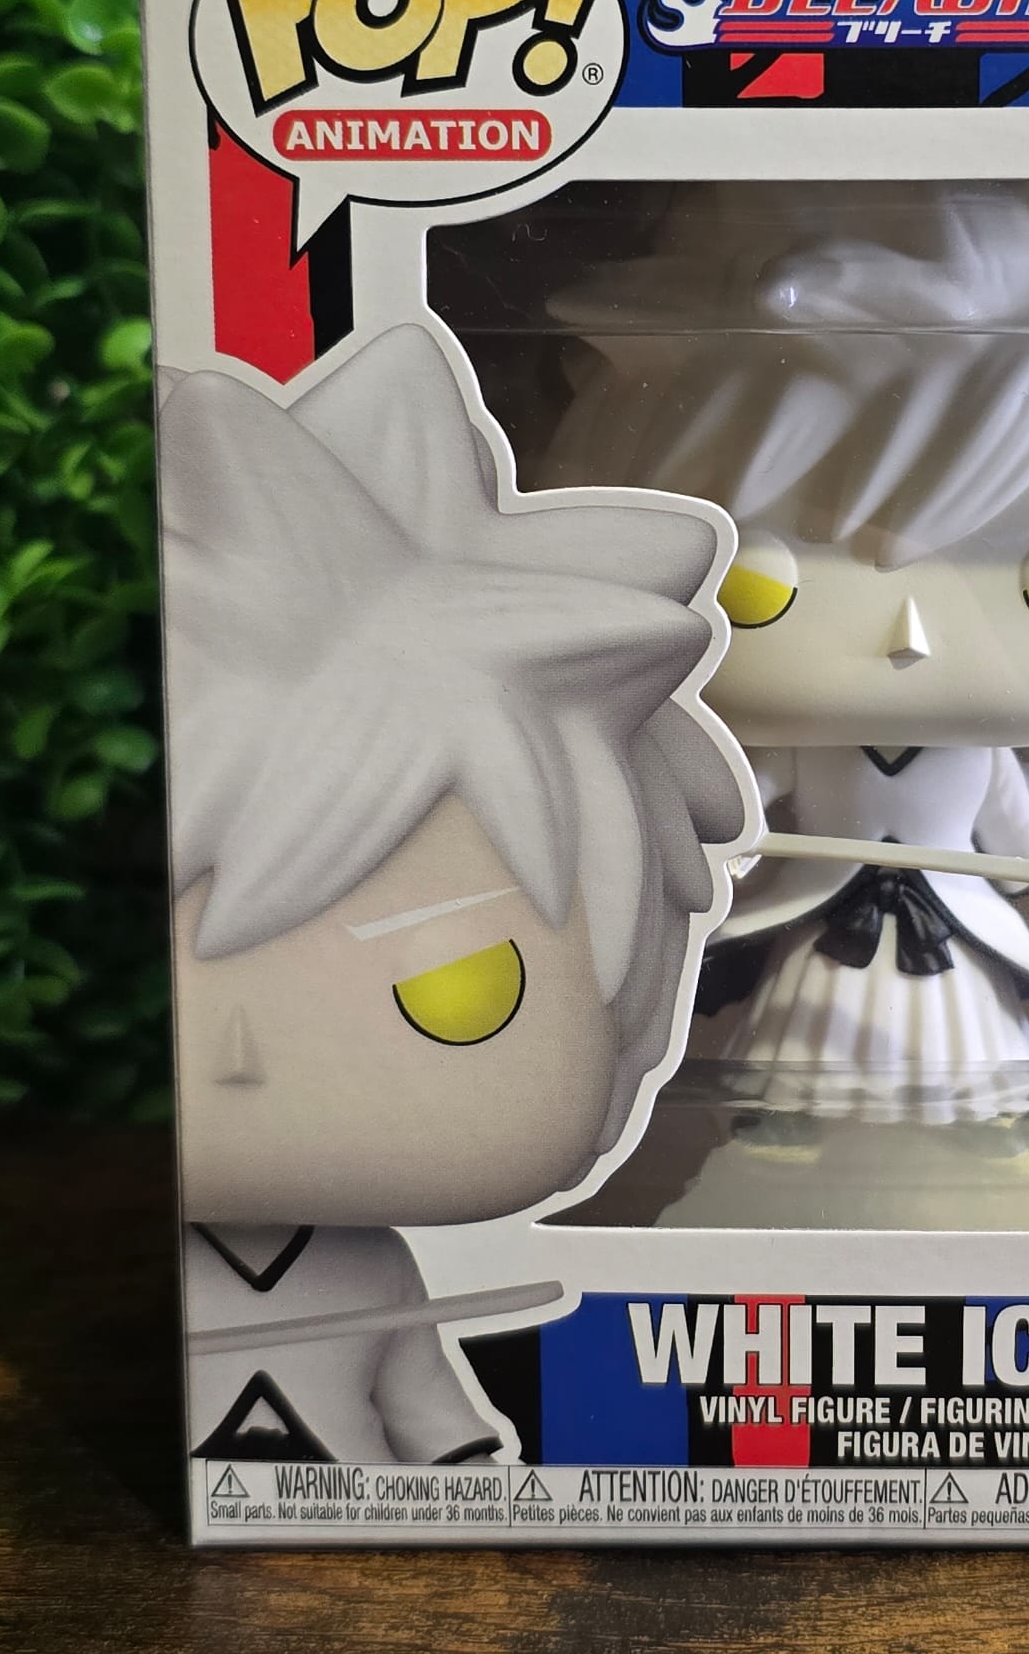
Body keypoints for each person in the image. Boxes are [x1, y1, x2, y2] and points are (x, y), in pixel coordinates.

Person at [548, 182, 1029, 1125]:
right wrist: (701, 847)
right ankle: (786, 1136)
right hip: (820, 931)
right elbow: (738, 803)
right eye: (761, 584)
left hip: (951, 927)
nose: (912, 637)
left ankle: (977, 1132)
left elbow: (1017, 830)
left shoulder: (986, 760)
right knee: (793, 1060)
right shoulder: (796, 751)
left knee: (972, 1056)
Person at [161, 321, 752, 1462]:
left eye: (458, 993)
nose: (231, 1057)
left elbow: (440, 1425)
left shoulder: (374, 1275)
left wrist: (465, 1470)